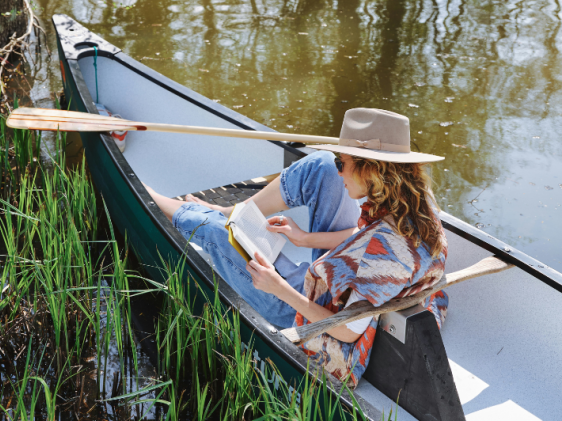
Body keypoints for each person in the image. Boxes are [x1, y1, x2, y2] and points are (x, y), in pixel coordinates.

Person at [146, 108, 449, 387]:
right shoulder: (417, 208)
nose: (339, 170)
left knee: (215, 233)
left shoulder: (390, 248)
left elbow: (347, 330)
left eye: (342, 162)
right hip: (331, 288)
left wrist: (277, 288)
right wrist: (305, 239)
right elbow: (361, 237)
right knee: (319, 169)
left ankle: (148, 196)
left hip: (309, 320)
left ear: (371, 169)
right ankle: (229, 211)